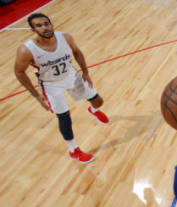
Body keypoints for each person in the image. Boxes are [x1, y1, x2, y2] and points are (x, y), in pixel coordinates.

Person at [14, 13, 109, 164]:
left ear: (51, 24)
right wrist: (38, 96)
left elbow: (77, 52)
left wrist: (85, 72)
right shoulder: (26, 50)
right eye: (39, 25)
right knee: (64, 117)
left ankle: (94, 110)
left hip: (71, 76)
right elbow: (19, 72)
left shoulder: (65, 38)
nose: (44, 27)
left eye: (46, 23)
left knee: (98, 101)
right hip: (51, 84)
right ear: (33, 30)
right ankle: (74, 151)